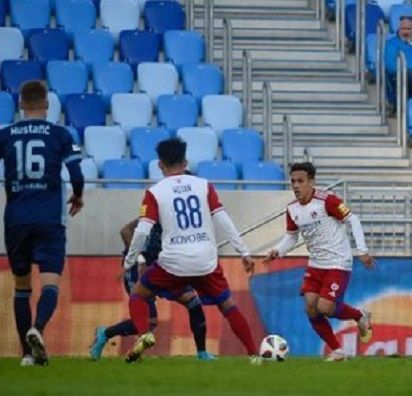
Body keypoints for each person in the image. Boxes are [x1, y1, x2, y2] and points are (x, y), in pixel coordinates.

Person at [122, 138, 261, 364]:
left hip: (173, 262)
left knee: (139, 294)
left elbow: (142, 230)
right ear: (186, 161)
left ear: (160, 165)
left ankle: (143, 335)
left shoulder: (155, 192)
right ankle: (254, 354)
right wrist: (243, 252)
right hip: (206, 260)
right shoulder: (204, 185)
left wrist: (131, 259)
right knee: (228, 306)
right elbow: (222, 219)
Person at [0, 80, 84, 366]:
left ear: (20, 104)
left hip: (16, 220)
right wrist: (79, 196)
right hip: (49, 218)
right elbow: (76, 175)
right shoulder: (60, 134)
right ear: (47, 105)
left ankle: (26, 354)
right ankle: (38, 328)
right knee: (50, 282)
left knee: (22, 286)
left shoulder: (6, 134)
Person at [263, 162, 375, 362]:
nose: (296, 186)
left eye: (300, 181)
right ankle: (338, 350)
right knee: (311, 307)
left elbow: (353, 219)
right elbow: (291, 236)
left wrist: (362, 250)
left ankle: (359, 315)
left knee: (325, 307)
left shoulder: (327, 200)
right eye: (293, 181)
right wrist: (277, 251)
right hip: (316, 263)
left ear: (311, 182)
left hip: (338, 261)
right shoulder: (292, 209)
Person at [89, 218, 217, 361]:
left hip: (164, 268)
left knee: (193, 302)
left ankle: (202, 354)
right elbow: (125, 231)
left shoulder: (183, 222)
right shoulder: (154, 215)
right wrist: (140, 260)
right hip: (138, 269)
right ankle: (105, 334)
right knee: (150, 321)